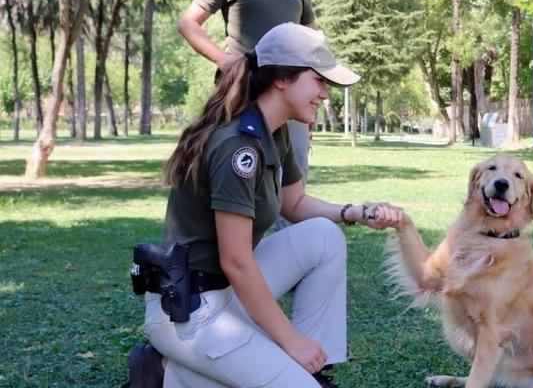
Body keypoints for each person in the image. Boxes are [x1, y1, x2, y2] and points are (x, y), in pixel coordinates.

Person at [125, 23, 405, 388]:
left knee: (323, 235)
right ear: (282, 79)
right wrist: (290, 340)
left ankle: (307, 372)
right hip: (190, 310)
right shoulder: (238, 146)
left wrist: (354, 212)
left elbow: (295, 204)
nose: (324, 94)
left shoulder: (276, 132)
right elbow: (236, 261)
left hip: (225, 294)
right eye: (318, 81)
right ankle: (167, 371)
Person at [177, 0, 316, 177]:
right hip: (246, 94)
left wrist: (312, 93)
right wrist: (223, 60)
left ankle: (290, 223)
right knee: (244, 170)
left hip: (292, 94)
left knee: (293, 177)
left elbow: (312, 42)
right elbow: (188, 23)